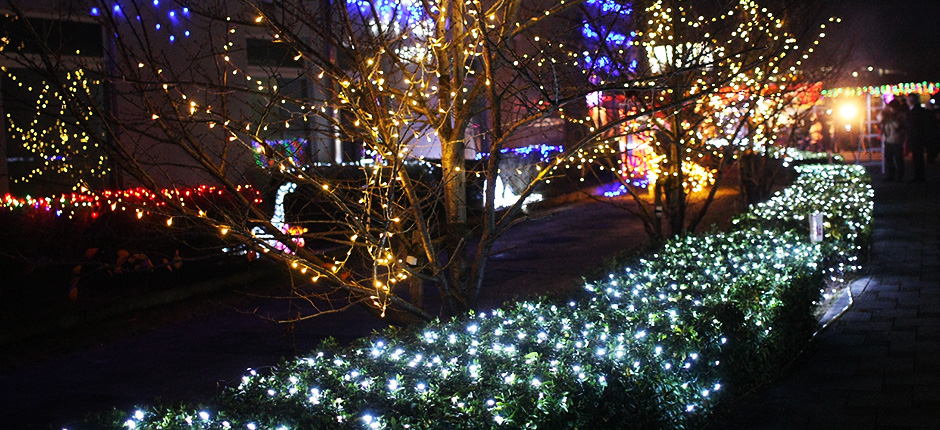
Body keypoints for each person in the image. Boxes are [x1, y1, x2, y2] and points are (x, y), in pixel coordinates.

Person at [905, 93, 931, 182]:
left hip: (917, 137)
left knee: (918, 158)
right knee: (917, 157)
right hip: (918, 137)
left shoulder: (915, 112)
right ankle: (919, 175)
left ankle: (919, 176)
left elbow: (914, 125)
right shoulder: (918, 110)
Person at [881, 99, 906, 181]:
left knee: (898, 158)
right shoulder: (887, 115)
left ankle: (900, 175)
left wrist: (893, 119)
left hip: (897, 139)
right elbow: (880, 120)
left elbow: (899, 126)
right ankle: (891, 175)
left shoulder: (900, 115)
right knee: (889, 158)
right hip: (888, 139)